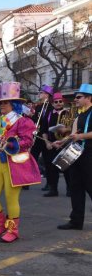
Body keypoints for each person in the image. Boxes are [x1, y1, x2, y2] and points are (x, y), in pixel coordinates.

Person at [0, 82, 41, 243]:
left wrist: (10, 143)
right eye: (1, 102)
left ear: (14, 104)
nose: (2, 105)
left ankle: (13, 230)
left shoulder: (23, 122)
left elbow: (28, 141)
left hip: (14, 165)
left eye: (6, 102)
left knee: (11, 199)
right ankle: (1, 223)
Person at [56, 84, 92, 230]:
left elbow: (80, 135)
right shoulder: (79, 114)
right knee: (75, 187)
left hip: (90, 155)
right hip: (77, 155)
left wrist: (81, 136)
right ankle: (76, 221)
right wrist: (62, 141)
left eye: (79, 97)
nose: (75, 99)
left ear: (89, 98)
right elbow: (73, 133)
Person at [40, 92, 71, 197]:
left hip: (65, 144)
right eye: (56, 102)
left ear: (63, 102)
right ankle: (53, 189)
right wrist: (47, 142)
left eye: (60, 101)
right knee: (51, 169)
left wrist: (66, 130)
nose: (58, 103)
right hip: (52, 145)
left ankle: (70, 189)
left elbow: (73, 129)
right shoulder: (48, 114)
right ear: (52, 104)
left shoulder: (69, 113)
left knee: (66, 168)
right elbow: (43, 130)